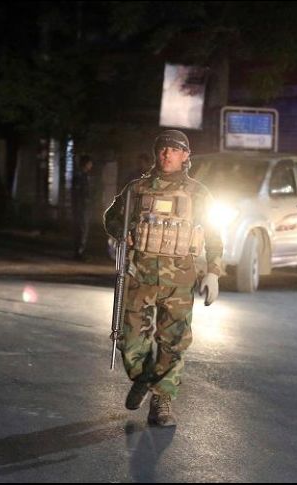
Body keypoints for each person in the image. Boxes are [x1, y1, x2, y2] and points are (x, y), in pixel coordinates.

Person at [103, 129, 223, 426]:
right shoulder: (137, 189)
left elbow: (213, 235)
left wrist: (213, 272)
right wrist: (123, 233)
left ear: (185, 156)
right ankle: (143, 377)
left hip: (179, 281)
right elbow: (111, 219)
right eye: (162, 149)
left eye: (174, 149)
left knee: (174, 342)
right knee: (129, 341)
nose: (167, 154)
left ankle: (162, 400)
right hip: (139, 276)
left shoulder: (199, 193)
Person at [72, 154, 94, 261]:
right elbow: (78, 193)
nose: (91, 165)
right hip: (81, 206)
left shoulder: (85, 175)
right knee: (81, 229)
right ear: (86, 164)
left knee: (83, 229)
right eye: (90, 163)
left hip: (84, 206)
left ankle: (80, 251)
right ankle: (79, 252)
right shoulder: (80, 176)